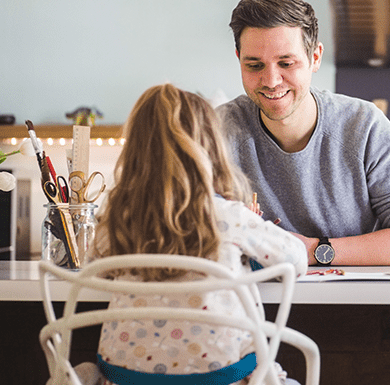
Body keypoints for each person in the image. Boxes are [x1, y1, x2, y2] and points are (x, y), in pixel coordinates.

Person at [90, 83, 308, 385]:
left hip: (127, 376)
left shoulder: (117, 213)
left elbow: (94, 271)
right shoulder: (231, 216)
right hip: (222, 376)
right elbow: (296, 260)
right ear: (211, 148)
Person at [217, 0, 390, 267]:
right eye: (254, 65)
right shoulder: (216, 131)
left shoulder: (363, 125)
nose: (271, 80)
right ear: (239, 58)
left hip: (355, 304)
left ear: (315, 57)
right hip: (255, 306)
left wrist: (312, 250)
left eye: (286, 63)